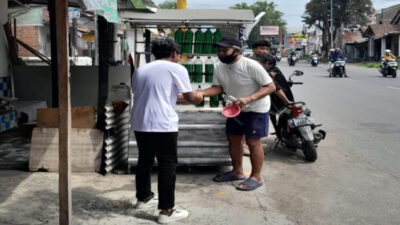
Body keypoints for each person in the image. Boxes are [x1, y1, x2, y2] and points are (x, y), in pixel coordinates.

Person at [131, 38, 202, 224]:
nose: (179, 58)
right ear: (173, 53)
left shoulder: (141, 69)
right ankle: (166, 211)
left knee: (144, 160)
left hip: (140, 122)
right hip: (162, 124)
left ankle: (144, 197)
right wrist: (200, 96)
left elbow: (156, 94)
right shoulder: (177, 68)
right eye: (178, 54)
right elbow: (191, 98)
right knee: (167, 164)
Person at [198, 36, 276, 191]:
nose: (221, 53)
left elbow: (270, 86)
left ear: (237, 51)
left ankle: (256, 177)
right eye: (219, 50)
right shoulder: (219, 66)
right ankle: (237, 171)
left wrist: (249, 98)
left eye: (225, 50)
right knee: (234, 139)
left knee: (253, 142)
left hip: (256, 108)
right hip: (235, 108)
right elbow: (217, 88)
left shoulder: (251, 65)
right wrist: (199, 93)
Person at [257, 54, 293, 132]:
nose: (267, 65)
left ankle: (282, 133)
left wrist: (287, 101)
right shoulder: (271, 71)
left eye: (269, 63)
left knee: (278, 117)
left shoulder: (272, 71)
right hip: (278, 99)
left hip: (279, 99)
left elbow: (277, 87)